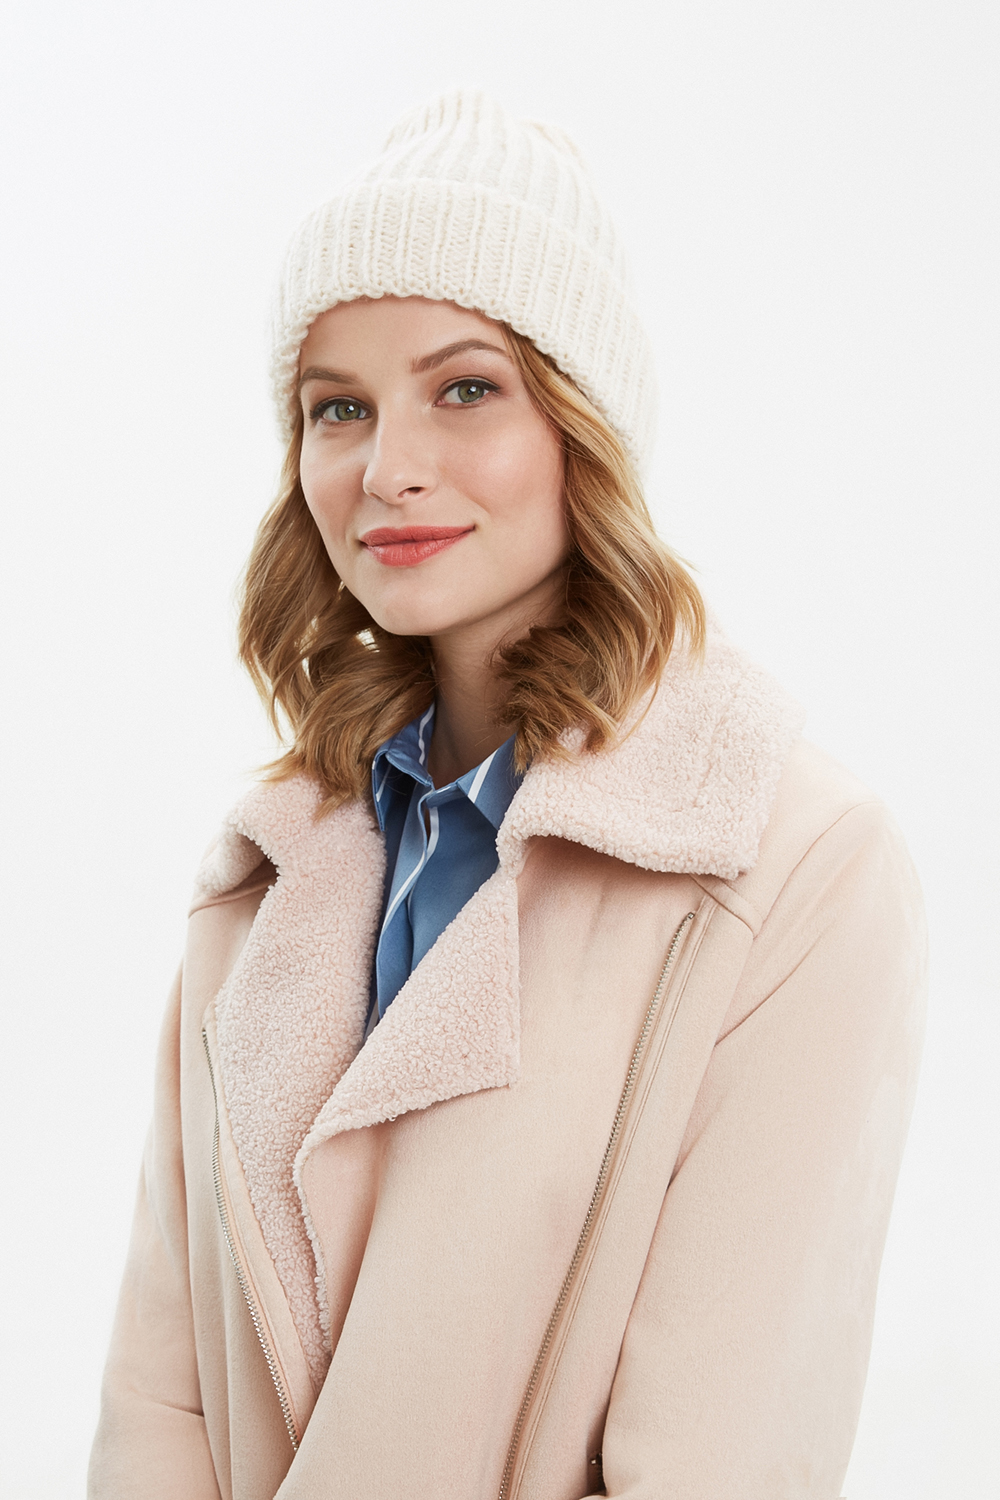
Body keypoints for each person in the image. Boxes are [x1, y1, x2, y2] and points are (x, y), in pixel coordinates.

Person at [88, 91, 926, 1500]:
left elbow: (721, 1461)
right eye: (338, 408)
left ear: (581, 427)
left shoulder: (795, 868)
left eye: (464, 388)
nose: (387, 469)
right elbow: (155, 1402)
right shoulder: (263, 872)